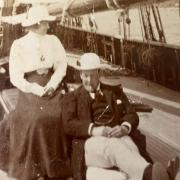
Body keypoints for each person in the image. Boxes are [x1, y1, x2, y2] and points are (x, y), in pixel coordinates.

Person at [62, 53, 179, 180]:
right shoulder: (72, 97)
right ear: (80, 74)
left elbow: (131, 113)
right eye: (85, 75)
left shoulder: (114, 91)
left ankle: (153, 176)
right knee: (114, 147)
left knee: (128, 158)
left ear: (99, 73)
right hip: (90, 144)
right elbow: (68, 124)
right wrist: (94, 130)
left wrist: (124, 128)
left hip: (119, 138)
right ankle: (152, 175)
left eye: (92, 75)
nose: (89, 80)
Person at [0, 5, 72, 180]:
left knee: (59, 114)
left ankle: (55, 166)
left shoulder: (54, 40)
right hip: (30, 88)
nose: (49, 26)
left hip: (52, 86)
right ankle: (35, 168)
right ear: (39, 23)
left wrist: (53, 85)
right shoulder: (19, 44)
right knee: (35, 119)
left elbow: (61, 65)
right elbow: (16, 77)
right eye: (46, 23)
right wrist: (36, 89)